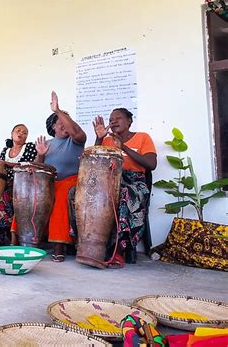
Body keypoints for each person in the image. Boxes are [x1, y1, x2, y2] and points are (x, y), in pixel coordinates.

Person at [93, 108, 157, 268]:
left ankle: (119, 250)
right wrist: (99, 139)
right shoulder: (106, 141)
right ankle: (91, 246)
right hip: (110, 181)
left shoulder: (142, 137)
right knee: (82, 194)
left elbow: (151, 164)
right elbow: (95, 161)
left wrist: (123, 148)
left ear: (129, 121)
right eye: (111, 119)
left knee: (124, 194)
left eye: (118, 118)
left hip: (135, 183)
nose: (113, 121)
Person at [34, 91, 86, 262]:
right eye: (59, 122)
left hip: (70, 181)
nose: (64, 125)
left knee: (62, 193)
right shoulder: (46, 144)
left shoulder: (76, 140)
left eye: (66, 121)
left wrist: (58, 111)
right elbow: (36, 168)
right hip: (49, 182)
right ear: (53, 127)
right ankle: (26, 241)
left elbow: (76, 131)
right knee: (30, 194)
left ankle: (59, 244)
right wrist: (41, 155)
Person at [0, 124, 37, 245]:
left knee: (5, 198)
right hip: (6, 184)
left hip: (23, 184)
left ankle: (13, 237)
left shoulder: (30, 147)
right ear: (12, 133)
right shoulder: (5, 150)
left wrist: (6, 163)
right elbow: (0, 167)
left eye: (24, 132)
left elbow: (28, 165)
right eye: (18, 131)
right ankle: (3, 235)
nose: (21, 134)